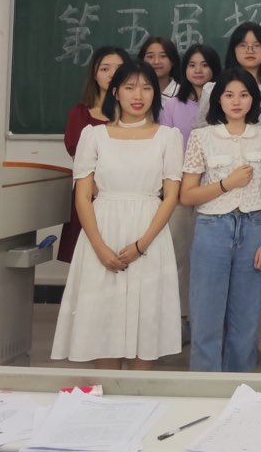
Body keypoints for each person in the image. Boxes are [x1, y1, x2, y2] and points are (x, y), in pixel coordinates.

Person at [51, 61, 183, 368]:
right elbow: (82, 196)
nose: (139, 95)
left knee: (144, 321)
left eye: (147, 88)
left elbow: (170, 196)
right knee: (104, 320)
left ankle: (138, 391)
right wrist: (99, 247)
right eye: (130, 87)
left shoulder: (168, 137)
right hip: (103, 231)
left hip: (149, 235)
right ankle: (106, 391)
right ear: (115, 93)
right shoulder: (93, 135)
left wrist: (141, 245)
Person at [179, 68, 261, 372]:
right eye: (229, 95)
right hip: (213, 228)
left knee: (246, 318)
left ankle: (240, 385)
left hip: (254, 228)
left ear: (254, 99)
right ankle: (206, 387)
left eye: (244, 95)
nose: (236, 101)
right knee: (206, 316)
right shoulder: (202, 137)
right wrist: (227, 184)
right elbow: (187, 195)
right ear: (218, 100)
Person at [159, 42, 222, 335]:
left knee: (207, 260)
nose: (198, 70)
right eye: (192, 65)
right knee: (179, 257)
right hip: (181, 192)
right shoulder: (171, 105)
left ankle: (205, 320)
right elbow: (166, 150)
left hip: (217, 191)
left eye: (205, 64)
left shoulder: (225, 102)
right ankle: (180, 319)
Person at [60, 45, 129, 263]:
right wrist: (101, 193)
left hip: (127, 198)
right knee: (86, 261)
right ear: (94, 74)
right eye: (105, 69)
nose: (112, 74)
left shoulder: (135, 114)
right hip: (89, 196)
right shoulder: (80, 113)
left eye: (118, 69)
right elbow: (80, 163)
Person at [196, 22, 261, 136]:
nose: (250, 50)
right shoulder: (213, 90)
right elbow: (201, 134)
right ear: (234, 49)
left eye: (257, 45)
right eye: (243, 45)